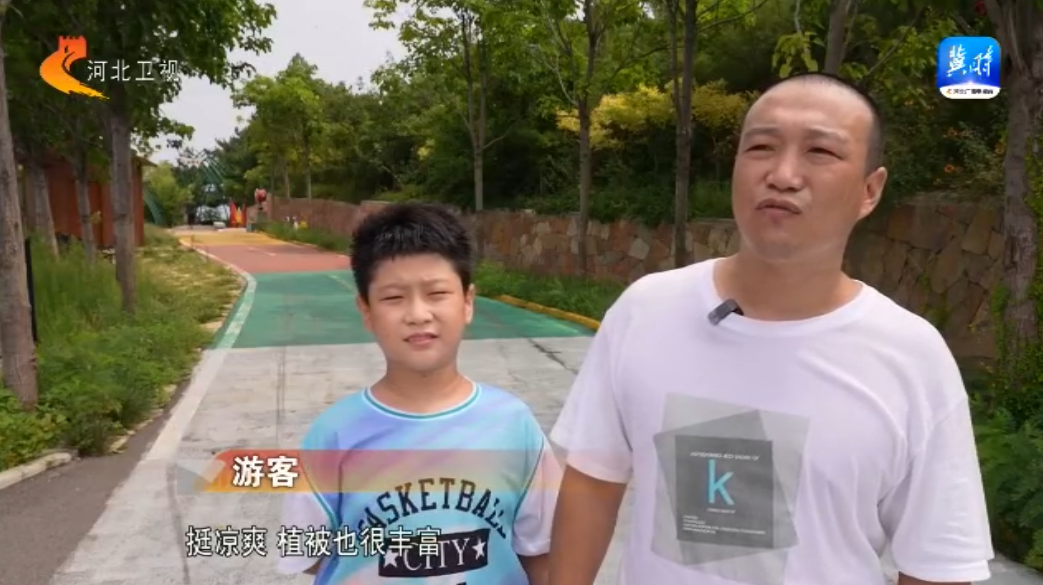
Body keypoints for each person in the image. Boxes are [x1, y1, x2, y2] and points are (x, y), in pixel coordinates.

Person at [547, 72, 994, 585]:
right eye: (761, 147)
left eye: (820, 152)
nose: (782, 175)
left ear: (869, 190)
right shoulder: (646, 310)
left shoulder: (910, 356)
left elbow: (937, 565)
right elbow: (593, 480)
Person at [278, 202, 559, 585]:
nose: (418, 314)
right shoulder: (334, 435)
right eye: (394, 298)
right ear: (366, 310)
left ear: (467, 302)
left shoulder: (514, 426)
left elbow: (539, 550)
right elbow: (309, 555)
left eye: (437, 293)